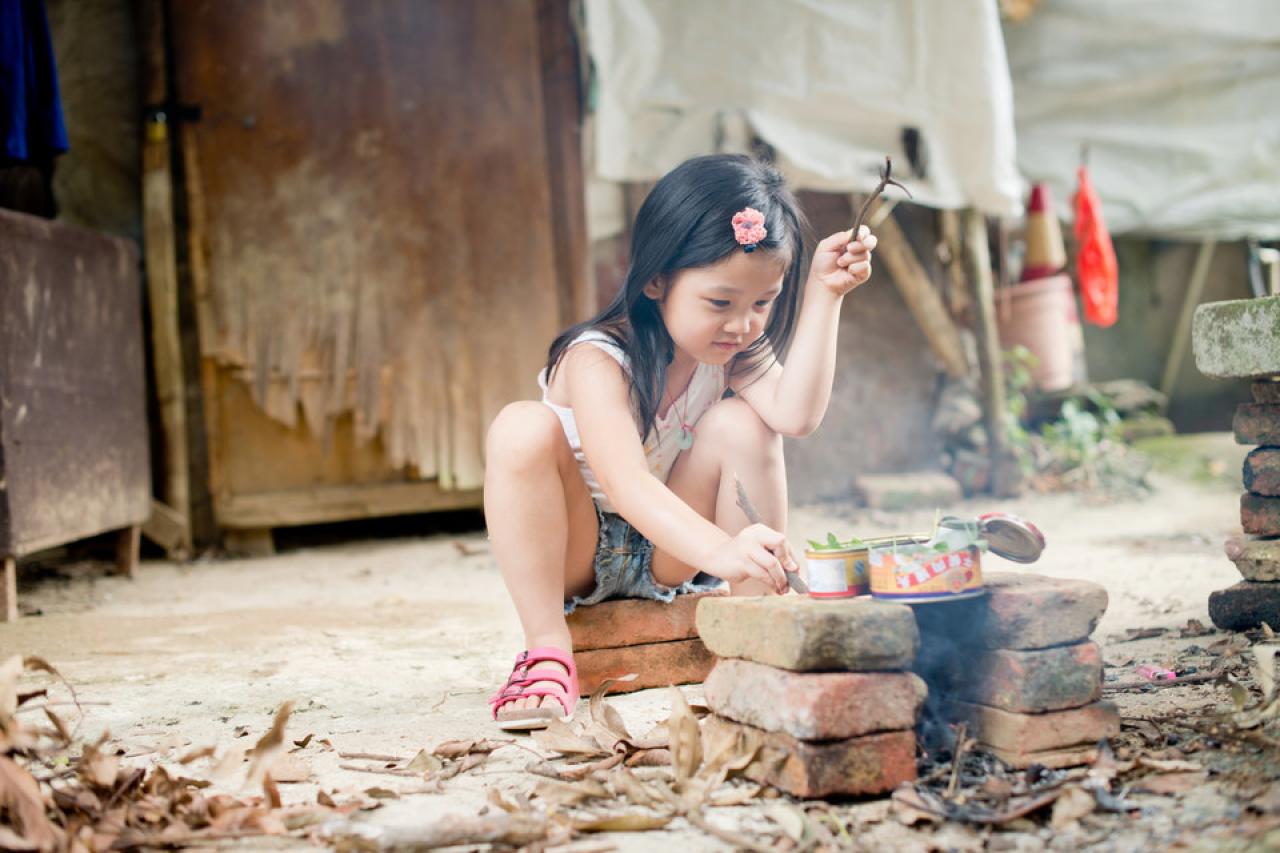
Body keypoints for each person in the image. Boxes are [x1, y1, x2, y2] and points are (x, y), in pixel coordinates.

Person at [485, 154, 877, 730]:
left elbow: (795, 415)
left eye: (762, 303)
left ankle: (757, 631)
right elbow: (626, 483)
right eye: (720, 303)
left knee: (744, 423)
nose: (742, 325)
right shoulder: (596, 358)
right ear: (656, 279)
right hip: (575, 552)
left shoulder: (731, 352)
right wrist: (721, 551)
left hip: (669, 555)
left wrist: (827, 293)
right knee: (519, 428)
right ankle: (547, 648)